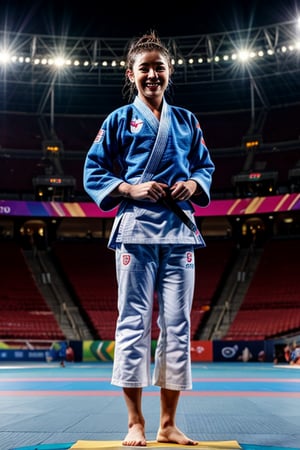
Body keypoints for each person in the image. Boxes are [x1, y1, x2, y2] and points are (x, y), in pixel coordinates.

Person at [83, 31, 215, 447]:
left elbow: (205, 166)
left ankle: (168, 424)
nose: (153, 74)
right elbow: (93, 171)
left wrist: (194, 184)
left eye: (160, 67)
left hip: (178, 231)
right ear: (131, 74)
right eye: (145, 68)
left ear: (169, 72)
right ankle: (135, 422)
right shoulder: (119, 120)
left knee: (177, 326)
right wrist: (128, 189)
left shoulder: (187, 120)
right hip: (136, 230)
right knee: (133, 323)